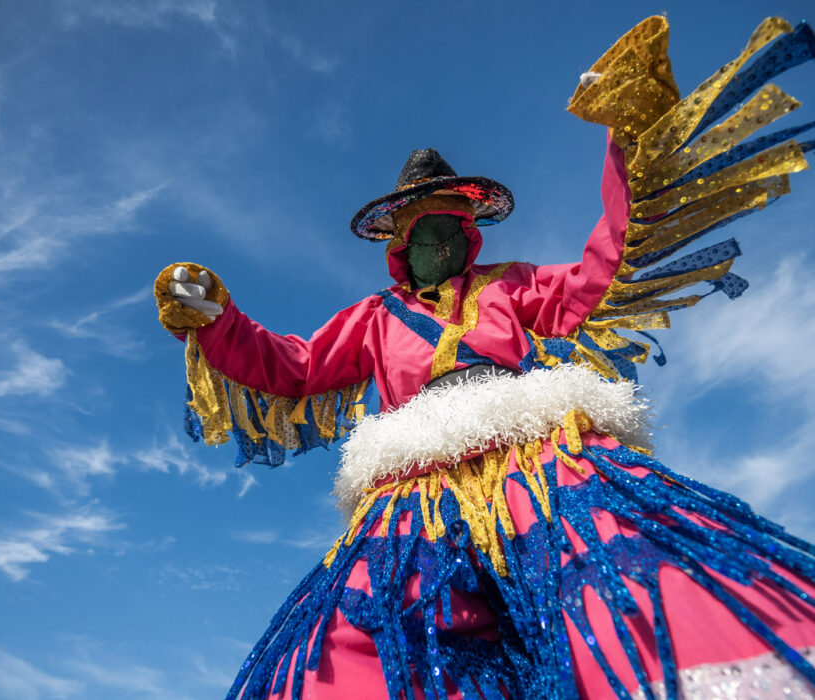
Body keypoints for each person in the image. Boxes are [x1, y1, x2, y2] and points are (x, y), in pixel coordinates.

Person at [155, 16, 815, 700]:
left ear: (468, 236)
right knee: (384, 622)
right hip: (417, 495)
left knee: (617, 567)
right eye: (423, 230)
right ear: (400, 245)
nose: (437, 240)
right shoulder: (374, 317)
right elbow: (292, 368)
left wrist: (629, 139)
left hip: (537, 457)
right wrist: (217, 321)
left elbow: (600, 274)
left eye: (450, 226)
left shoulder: (511, 284)